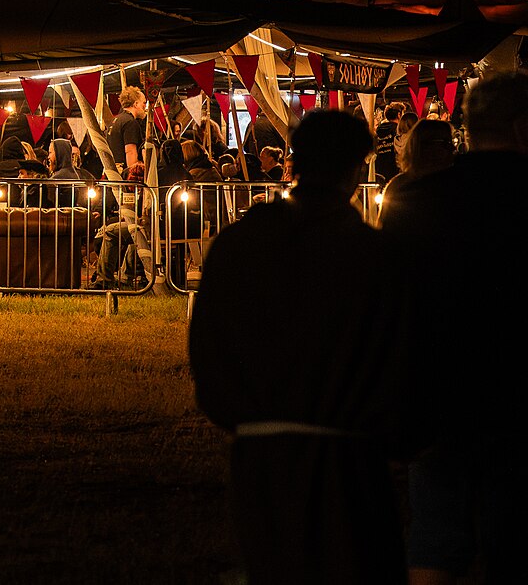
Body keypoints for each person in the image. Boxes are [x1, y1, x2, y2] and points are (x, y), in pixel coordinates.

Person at [188, 111, 411, 584]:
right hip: (349, 457)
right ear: (356, 170)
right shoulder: (373, 255)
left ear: (295, 162)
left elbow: (208, 343)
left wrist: (235, 412)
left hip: (260, 449)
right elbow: (402, 354)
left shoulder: (237, 245)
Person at [379, 71, 528, 584]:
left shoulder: (420, 199)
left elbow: (391, 303)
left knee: (436, 536)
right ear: (521, 126)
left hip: (439, 391)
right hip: (516, 395)